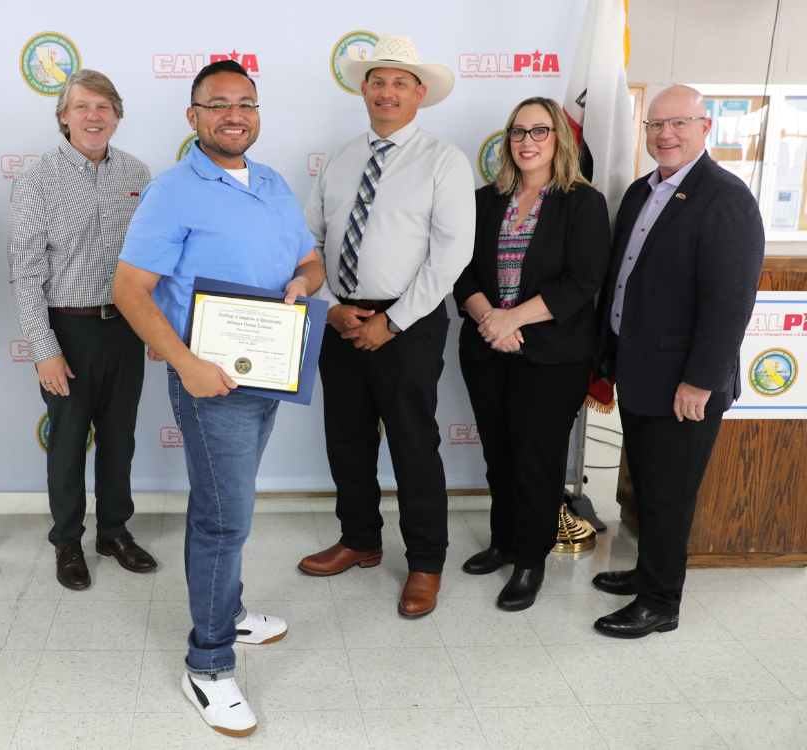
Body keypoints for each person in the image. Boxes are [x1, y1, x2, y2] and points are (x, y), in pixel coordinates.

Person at [113, 59, 325, 737]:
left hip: (267, 377)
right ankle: (207, 665)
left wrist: (303, 283)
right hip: (211, 385)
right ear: (194, 116)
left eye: (246, 103)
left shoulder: (273, 182)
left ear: (257, 113)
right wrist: (186, 365)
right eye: (219, 104)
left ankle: (227, 611)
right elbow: (129, 290)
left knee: (229, 507)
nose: (235, 115)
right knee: (223, 520)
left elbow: (311, 259)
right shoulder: (173, 191)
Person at [297, 35, 475, 619]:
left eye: (400, 81)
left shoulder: (443, 160)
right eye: (378, 80)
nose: (387, 91)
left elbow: (450, 255)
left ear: (420, 93)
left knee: (412, 444)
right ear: (364, 90)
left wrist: (392, 322)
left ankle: (425, 561)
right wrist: (330, 305)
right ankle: (360, 539)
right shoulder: (340, 159)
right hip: (341, 319)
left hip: (409, 322)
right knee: (346, 438)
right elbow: (311, 241)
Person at [591, 84, 763, 638]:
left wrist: (700, 382)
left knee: (669, 498)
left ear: (705, 127)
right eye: (656, 124)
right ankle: (649, 572)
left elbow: (729, 304)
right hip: (640, 371)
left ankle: (660, 602)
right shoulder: (641, 191)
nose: (665, 134)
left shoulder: (725, 198)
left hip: (684, 385)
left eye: (679, 123)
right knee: (648, 486)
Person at [452, 97, 611, 611]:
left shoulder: (582, 202)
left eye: (539, 131)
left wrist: (512, 319)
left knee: (536, 460)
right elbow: (461, 271)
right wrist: (489, 320)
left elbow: (583, 280)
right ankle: (503, 542)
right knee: (499, 454)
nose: (527, 141)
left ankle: (529, 560)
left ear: (559, 138)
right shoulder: (485, 200)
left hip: (553, 356)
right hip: (487, 348)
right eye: (518, 132)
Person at [9, 70, 156, 590]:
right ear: (64, 117)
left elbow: (153, 258)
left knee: (120, 439)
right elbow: (26, 272)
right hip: (67, 331)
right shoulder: (37, 178)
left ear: (117, 115)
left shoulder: (138, 172)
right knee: (68, 444)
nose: (94, 116)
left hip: (127, 329)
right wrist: (44, 350)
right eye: (82, 106)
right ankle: (67, 541)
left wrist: (157, 329)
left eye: (104, 106)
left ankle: (114, 532)